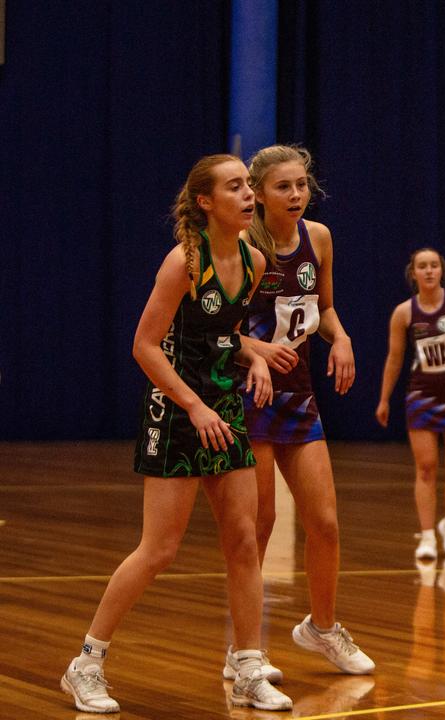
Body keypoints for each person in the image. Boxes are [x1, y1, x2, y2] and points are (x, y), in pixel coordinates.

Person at [61, 155, 292, 713]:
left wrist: (255, 355)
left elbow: (222, 334)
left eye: (247, 186)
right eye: (233, 187)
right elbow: (144, 345)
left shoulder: (255, 260)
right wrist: (192, 406)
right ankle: (85, 664)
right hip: (175, 408)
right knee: (159, 548)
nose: (246, 194)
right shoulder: (181, 264)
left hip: (223, 407)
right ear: (206, 203)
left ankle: (248, 666)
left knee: (243, 540)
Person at [237, 144, 374, 677]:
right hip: (249, 395)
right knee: (261, 523)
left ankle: (321, 628)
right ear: (259, 194)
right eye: (283, 187)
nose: (295, 195)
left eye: (301, 185)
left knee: (325, 523)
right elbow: (218, 327)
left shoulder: (319, 238)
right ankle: (244, 649)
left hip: (298, 394)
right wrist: (256, 350)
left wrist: (341, 339)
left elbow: (327, 308)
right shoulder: (244, 246)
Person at [376, 247, 445, 561]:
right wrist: (384, 398)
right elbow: (395, 358)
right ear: (413, 273)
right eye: (422, 267)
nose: (428, 271)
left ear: (442, 270)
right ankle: (426, 536)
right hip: (421, 396)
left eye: (434, 266)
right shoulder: (404, 313)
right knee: (425, 468)